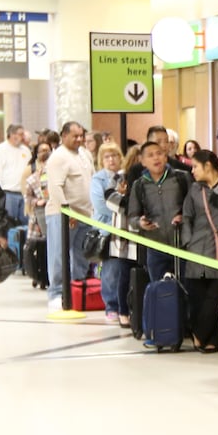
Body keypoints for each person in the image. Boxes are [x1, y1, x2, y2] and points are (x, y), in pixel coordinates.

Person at [181, 150, 218, 352]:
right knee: (198, 297)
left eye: (195, 166)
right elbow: (187, 216)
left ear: (208, 166)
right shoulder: (195, 189)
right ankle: (213, 340)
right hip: (196, 249)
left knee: (215, 297)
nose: (192, 170)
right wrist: (187, 241)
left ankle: (199, 334)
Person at [45, 121, 95, 309]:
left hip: (85, 214)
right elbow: (55, 186)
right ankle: (56, 293)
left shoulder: (85, 154)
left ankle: (77, 288)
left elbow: (92, 179)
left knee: (82, 255)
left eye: (81, 135)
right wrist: (67, 211)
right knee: (59, 255)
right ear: (64, 136)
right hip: (62, 214)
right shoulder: (58, 157)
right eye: (75, 136)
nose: (79, 139)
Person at [127, 140, 191, 285]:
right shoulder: (139, 185)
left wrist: (184, 217)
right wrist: (140, 223)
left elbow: (194, 207)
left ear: (166, 157)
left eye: (159, 154)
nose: (156, 158)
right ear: (142, 162)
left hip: (182, 245)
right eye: (150, 155)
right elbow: (132, 217)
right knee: (159, 291)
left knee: (188, 291)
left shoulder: (181, 178)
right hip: (155, 246)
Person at [90, 141, 127, 325]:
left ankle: (125, 305)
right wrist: (120, 206)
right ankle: (111, 305)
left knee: (124, 269)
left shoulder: (125, 176)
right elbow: (101, 205)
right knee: (111, 270)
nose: (111, 159)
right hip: (106, 229)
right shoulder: (98, 179)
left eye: (114, 155)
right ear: (101, 160)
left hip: (126, 229)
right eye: (107, 156)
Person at [103, 147, 140, 327]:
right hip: (124, 236)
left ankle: (137, 311)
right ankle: (122, 311)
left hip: (143, 235)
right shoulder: (119, 176)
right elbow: (110, 199)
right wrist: (130, 201)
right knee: (123, 274)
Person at [0, 124, 30, 226]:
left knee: (25, 224)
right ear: (12, 135)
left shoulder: (26, 150)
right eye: (21, 134)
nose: (23, 137)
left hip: (24, 193)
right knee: (9, 224)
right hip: (8, 194)